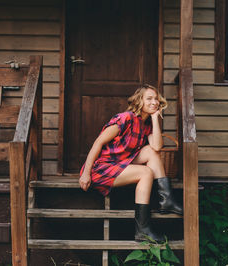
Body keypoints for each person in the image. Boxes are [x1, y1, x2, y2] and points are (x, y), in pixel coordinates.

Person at [78, 84, 182, 243]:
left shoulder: (146, 124)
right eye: (149, 98)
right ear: (140, 100)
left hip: (121, 164)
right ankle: (142, 230)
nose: (154, 102)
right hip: (102, 169)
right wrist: (86, 173)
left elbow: (157, 147)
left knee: (151, 152)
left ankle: (166, 200)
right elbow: (98, 143)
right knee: (146, 172)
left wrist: (155, 119)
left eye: (156, 99)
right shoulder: (125, 118)